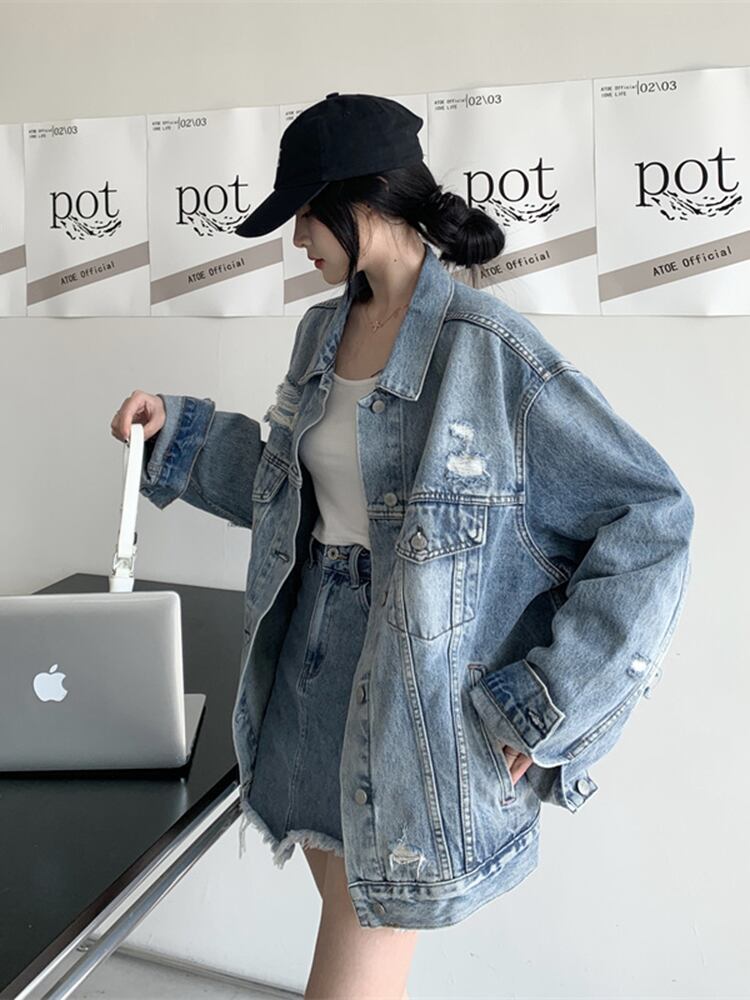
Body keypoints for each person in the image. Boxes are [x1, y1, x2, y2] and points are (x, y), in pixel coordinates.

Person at [110, 93, 694, 999]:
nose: (297, 238)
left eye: (307, 213)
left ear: (362, 201)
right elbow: (292, 491)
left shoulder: (491, 353)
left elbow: (653, 518)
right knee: (358, 947)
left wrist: (550, 704)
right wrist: (175, 435)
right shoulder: (321, 331)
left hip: (416, 698)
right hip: (307, 672)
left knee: (353, 974)